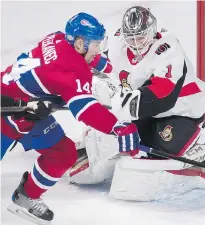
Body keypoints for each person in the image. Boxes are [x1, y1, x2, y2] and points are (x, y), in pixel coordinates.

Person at [69, 6, 205, 201]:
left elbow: (162, 96)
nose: (135, 43)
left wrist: (116, 104)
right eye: (130, 38)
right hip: (141, 109)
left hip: (181, 111)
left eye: (140, 37)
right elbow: (98, 62)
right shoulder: (119, 41)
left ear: (152, 31)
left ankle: (204, 154)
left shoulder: (168, 48)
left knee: (156, 153)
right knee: (100, 154)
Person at [1, 12, 139, 223]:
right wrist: (117, 127)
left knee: (63, 153)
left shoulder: (56, 38)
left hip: (27, 109)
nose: (98, 50)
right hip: (7, 113)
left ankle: (27, 196)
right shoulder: (70, 70)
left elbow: (59, 64)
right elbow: (86, 109)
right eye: (95, 45)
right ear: (80, 44)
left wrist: (98, 63)